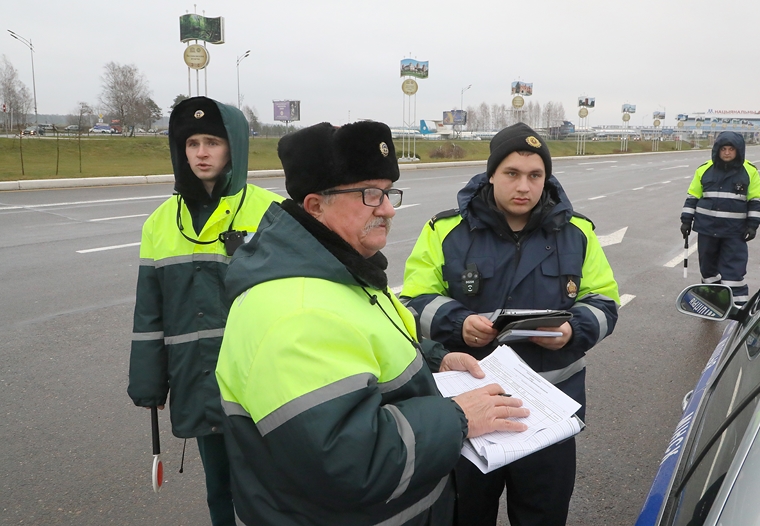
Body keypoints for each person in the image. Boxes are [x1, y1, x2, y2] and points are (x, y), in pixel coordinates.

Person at [215, 121, 530, 526]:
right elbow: (350, 459)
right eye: (370, 194)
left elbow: (369, 345)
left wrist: (435, 360)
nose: (388, 208)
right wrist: (459, 418)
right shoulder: (296, 312)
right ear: (315, 205)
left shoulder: (337, 269)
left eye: (388, 192)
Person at [401, 122, 620, 526]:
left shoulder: (578, 233)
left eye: (535, 175)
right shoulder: (444, 230)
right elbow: (412, 302)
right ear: (492, 175)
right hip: (470, 408)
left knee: (543, 516)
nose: (524, 186)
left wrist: (574, 330)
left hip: (548, 412)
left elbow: (605, 302)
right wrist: (458, 323)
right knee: (464, 515)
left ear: (546, 178)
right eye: (512, 174)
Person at [128, 96, 283, 526]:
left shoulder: (270, 212)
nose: (200, 152)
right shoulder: (160, 223)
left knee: (269, 485)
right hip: (197, 379)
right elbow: (150, 313)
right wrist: (149, 383)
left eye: (212, 141)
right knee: (219, 487)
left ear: (233, 145)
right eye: (191, 142)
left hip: (261, 380)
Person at [680, 131, 760, 305]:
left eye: (731, 149)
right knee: (708, 269)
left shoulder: (749, 171)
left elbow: (756, 200)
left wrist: (753, 225)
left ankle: (739, 309)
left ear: (738, 150)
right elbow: (692, 197)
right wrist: (686, 221)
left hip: (734, 232)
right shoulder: (704, 169)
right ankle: (711, 301)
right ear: (717, 150)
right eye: (723, 149)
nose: (727, 153)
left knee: (734, 271)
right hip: (706, 230)